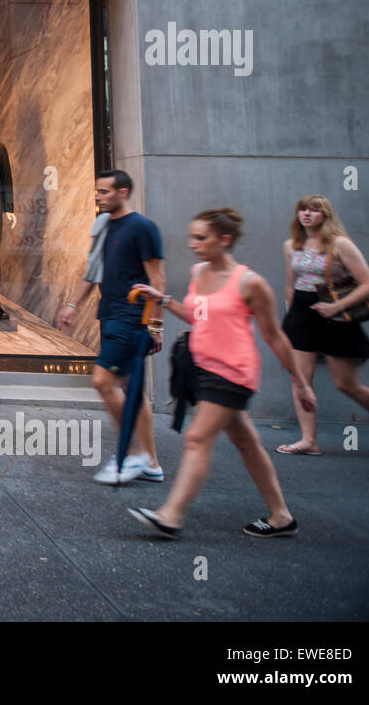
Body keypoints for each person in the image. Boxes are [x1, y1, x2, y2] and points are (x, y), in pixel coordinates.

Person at [127, 208, 316, 538]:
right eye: (192, 237)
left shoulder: (250, 282)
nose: (193, 244)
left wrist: (301, 383)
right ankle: (281, 516)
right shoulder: (198, 272)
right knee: (246, 442)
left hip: (233, 373)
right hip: (203, 369)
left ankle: (170, 516)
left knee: (198, 438)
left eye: (201, 238)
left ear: (224, 240)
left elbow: (274, 335)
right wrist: (165, 300)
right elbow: (197, 316)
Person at [57, 170, 165, 484]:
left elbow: (157, 280)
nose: (98, 196)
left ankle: (131, 455)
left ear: (123, 192)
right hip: (110, 313)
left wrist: (155, 326)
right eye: (97, 191)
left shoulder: (142, 228)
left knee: (103, 382)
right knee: (132, 390)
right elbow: (92, 272)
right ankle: (152, 463)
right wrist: (72, 305)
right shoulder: (104, 226)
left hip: (131, 317)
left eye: (104, 192)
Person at [276, 194, 369, 458]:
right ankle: (309, 440)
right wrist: (291, 316)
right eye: (303, 209)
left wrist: (335, 308)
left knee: (346, 383)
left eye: (314, 210)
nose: (307, 214)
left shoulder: (339, 243)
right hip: (301, 316)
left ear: (326, 215)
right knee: (299, 379)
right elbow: (291, 284)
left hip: (335, 316)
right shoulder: (292, 245)